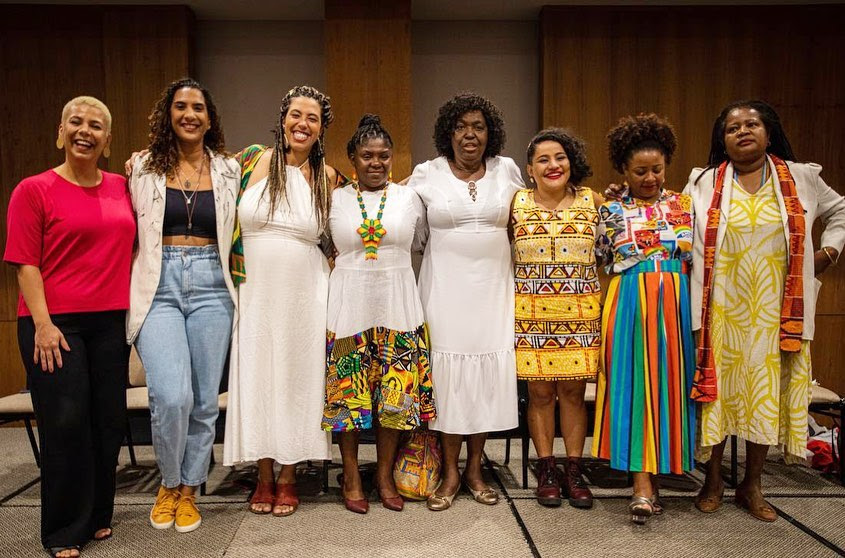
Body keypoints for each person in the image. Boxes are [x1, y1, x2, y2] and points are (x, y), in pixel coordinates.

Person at [689, 100, 845, 522]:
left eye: (751, 124)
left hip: (777, 311)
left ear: (769, 133)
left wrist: (828, 251)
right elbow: (674, 224)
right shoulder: (702, 182)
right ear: (722, 141)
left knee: (765, 395)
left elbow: (840, 210)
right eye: (732, 127)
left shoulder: (801, 177)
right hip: (721, 310)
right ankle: (713, 480)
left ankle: (753, 484)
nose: (742, 131)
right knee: (717, 396)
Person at [4, 97, 135, 558]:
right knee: (65, 423)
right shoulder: (33, 189)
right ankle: (62, 529)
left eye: (96, 125)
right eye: (76, 123)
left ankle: (98, 514)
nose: (86, 131)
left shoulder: (122, 187)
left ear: (108, 139)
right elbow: (24, 264)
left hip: (109, 323)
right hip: (53, 324)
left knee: (107, 422)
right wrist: (42, 324)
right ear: (61, 131)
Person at [127, 78, 238, 533]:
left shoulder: (230, 170)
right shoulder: (141, 168)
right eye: (180, 106)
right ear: (168, 115)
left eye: (198, 107)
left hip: (214, 283)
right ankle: (168, 482)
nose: (189, 114)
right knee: (171, 395)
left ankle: (190, 489)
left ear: (210, 118)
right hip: (160, 285)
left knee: (204, 401)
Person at [223, 85, 337, 517]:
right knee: (258, 376)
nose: (302, 124)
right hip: (254, 290)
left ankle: (288, 476)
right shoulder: (249, 160)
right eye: (296, 114)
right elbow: (197, 172)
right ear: (283, 118)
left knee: (295, 378)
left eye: (312, 118)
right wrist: (142, 162)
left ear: (321, 128)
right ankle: (263, 473)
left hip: (306, 292)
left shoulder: (327, 177)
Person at [409, 93, 523, 511]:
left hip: (493, 290)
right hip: (444, 290)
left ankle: (476, 468)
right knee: (449, 379)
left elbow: (529, 219)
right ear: (448, 133)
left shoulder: (507, 170)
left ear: (489, 132)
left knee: (484, 379)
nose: (469, 134)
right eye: (460, 126)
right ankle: (450, 471)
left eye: (478, 126)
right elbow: (412, 232)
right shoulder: (427, 173)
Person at [321, 114, 435, 513]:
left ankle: (384, 474)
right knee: (348, 401)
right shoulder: (334, 198)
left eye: (383, 156)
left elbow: (424, 242)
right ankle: (351, 474)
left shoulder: (410, 198)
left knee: (394, 400)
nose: (376, 163)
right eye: (367, 156)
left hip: (398, 308)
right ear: (352, 158)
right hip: (349, 308)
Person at [592, 114, 697, 525]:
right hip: (630, 300)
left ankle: (659, 474)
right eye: (640, 171)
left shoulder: (685, 205)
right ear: (623, 170)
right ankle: (640, 485)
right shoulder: (612, 209)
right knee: (634, 387)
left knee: (669, 388)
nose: (649, 177)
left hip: (675, 302)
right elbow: (601, 261)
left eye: (657, 169)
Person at [510, 128, 601, 508]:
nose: (553, 165)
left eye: (560, 157)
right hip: (529, 314)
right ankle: (546, 468)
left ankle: (574, 468)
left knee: (574, 395)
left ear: (571, 161)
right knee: (541, 394)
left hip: (581, 314)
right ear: (530, 169)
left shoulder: (593, 201)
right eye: (543, 159)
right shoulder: (516, 204)